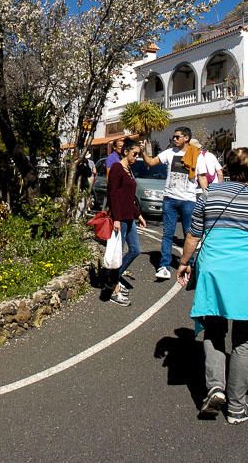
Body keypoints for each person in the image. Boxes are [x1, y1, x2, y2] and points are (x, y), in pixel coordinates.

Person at [177, 148, 248, 424]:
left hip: (214, 267)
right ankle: (237, 408)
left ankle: (215, 387)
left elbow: (194, 235)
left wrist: (183, 263)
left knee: (215, 328)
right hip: (244, 268)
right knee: (244, 339)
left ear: (226, 167)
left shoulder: (209, 195)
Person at [141, 127, 198, 280]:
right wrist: (142, 152)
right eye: (174, 136)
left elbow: (204, 175)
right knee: (167, 234)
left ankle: (190, 265)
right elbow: (151, 162)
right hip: (170, 199)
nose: (174, 139)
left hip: (188, 199)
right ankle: (164, 266)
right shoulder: (169, 153)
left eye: (177, 137)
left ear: (186, 138)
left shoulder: (196, 154)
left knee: (189, 233)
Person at [106, 138, 146, 306]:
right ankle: (113, 290)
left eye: (137, 154)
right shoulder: (116, 168)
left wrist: (138, 215)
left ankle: (112, 279)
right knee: (117, 255)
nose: (136, 157)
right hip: (120, 219)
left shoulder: (128, 169)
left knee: (135, 250)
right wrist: (116, 218)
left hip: (129, 217)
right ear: (126, 152)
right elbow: (113, 194)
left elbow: (129, 197)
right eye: (134, 154)